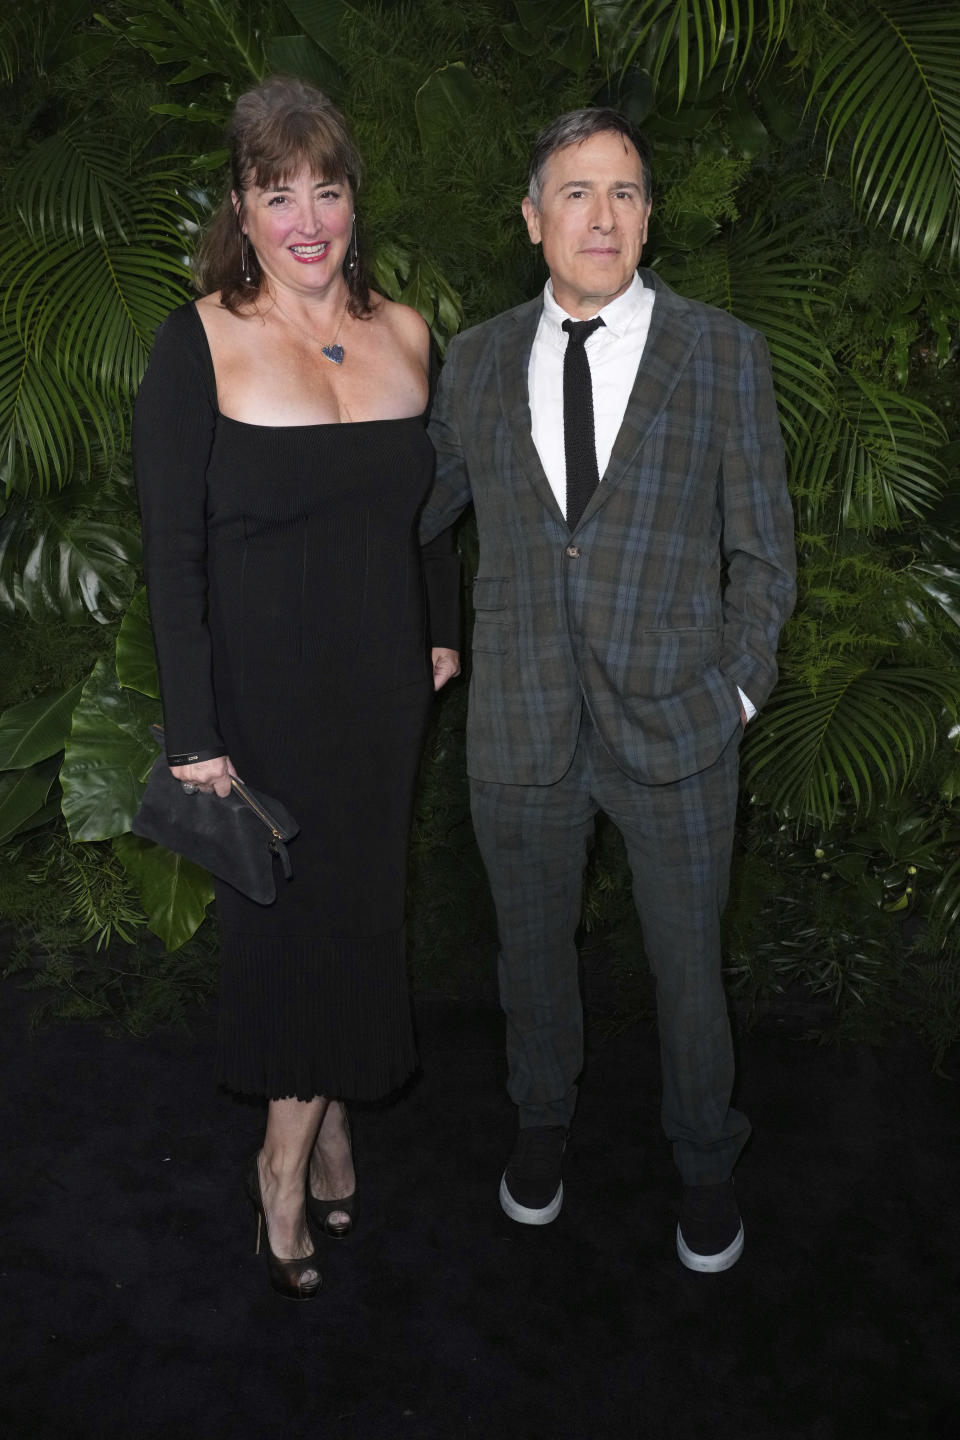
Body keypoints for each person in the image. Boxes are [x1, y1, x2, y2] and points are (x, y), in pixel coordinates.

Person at [419, 108, 796, 1272]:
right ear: (533, 220)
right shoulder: (474, 360)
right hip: (521, 722)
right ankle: (542, 1125)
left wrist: (735, 690)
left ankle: (705, 1158)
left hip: (680, 723)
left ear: (648, 218)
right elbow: (415, 521)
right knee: (528, 953)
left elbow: (765, 554)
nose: (603, 214)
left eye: (626, 192)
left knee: (689, 968)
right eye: (577, 193)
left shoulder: (720, 351)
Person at [133, 77, 460, 1300]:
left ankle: (322, 1122)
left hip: (379, 688)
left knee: (363, 913)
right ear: (243, 206)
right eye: (280, 193)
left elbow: (431, 512)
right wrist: (195, 733)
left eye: (326, 188)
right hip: (259, 699)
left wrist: (442, 628)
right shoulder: (199, 339)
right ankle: (284, 1161)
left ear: (352, 198)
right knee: (286, 926)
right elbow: (173, 552)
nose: (307, 217)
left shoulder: (411, 332)